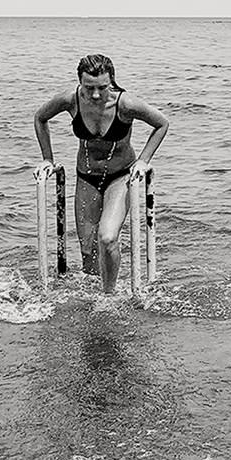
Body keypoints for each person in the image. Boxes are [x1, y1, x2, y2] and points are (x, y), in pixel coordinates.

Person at [32, 53, 171, 294]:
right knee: (87, 249)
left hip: (120, 176)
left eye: (102, 87)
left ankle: (109, 295)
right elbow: (40, 117)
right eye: (89, 87)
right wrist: (47, 159)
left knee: (106, 238)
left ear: (112, 82)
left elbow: (162, 123)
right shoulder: (71, 100)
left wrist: (143, 161)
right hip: (86, 177)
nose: (95, 94)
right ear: (80, 82)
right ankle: (92, 297)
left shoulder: (126, 104)